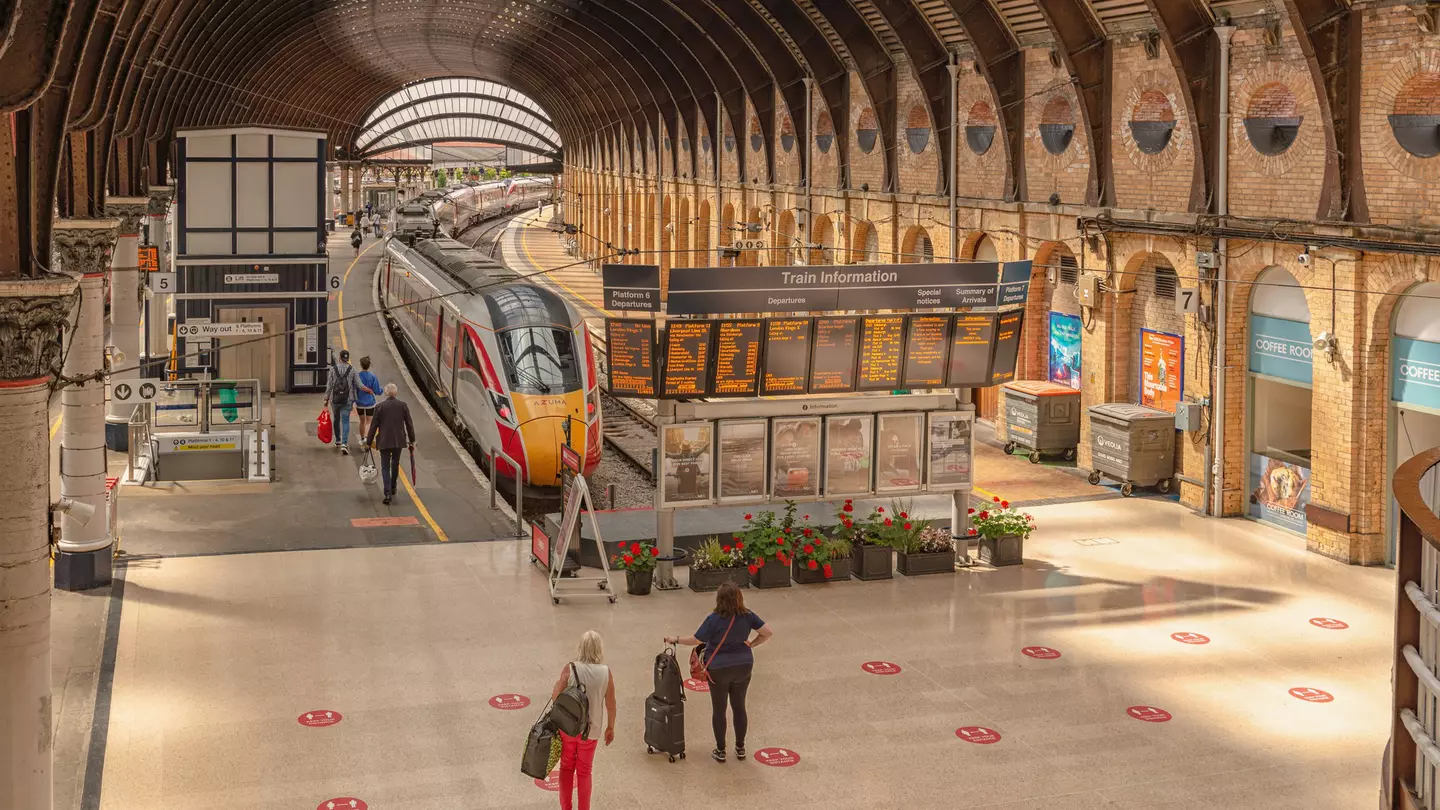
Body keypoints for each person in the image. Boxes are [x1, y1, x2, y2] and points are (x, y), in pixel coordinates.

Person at [665, 582, 772, 763]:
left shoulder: (713, 619)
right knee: (739, 707)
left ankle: (721, 750)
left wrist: (675, 639)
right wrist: (752, 644)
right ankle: (740, 748)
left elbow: (696, 640)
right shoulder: (748, 615)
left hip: (718, 668)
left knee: (719, 709)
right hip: (743, 665)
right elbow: (767, 632)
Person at [549, 630, 615, 810]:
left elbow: (556, 698)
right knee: (585, 772)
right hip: (591, 731)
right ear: (599, 649)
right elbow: (611, 704)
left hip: (568, 729)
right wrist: (610, 727)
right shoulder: (606, 673)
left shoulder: (569, 668)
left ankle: (566, 807)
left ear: (581, 648)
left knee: (566, 768)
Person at [366, 383, 415, 505]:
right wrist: (412, 440)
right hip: (399, 440)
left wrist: (368, 442)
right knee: (395, 464)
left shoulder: (379, 407)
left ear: (386, 393)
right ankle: (393, 487)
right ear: (395, 393)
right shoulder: (403, 405)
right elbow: (409, 424)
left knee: (385, 467)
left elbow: (373, 426)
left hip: (384, 440)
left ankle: (387, 493)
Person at [323, 349, 358, 455]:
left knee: (336, 419)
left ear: (339, 357)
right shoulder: (352, 369)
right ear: (348, 358)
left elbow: (329, 385)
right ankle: (344, 444)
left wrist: (326, 398)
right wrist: (368, 391)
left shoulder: (333, 369)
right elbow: (358, 384)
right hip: (348, 399)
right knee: (345, 421)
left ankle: (338, 440)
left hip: (335, 399)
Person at [354, 356, 380, 449]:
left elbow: (354, 389)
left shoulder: (357, 376)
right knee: (369, 422)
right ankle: (367, 439)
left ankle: (362, 439)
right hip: (370, 403)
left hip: (359, 403)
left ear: (361, 365)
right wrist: (380, 391)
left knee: (362, 421)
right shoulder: (372, 376)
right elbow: (377, 390)